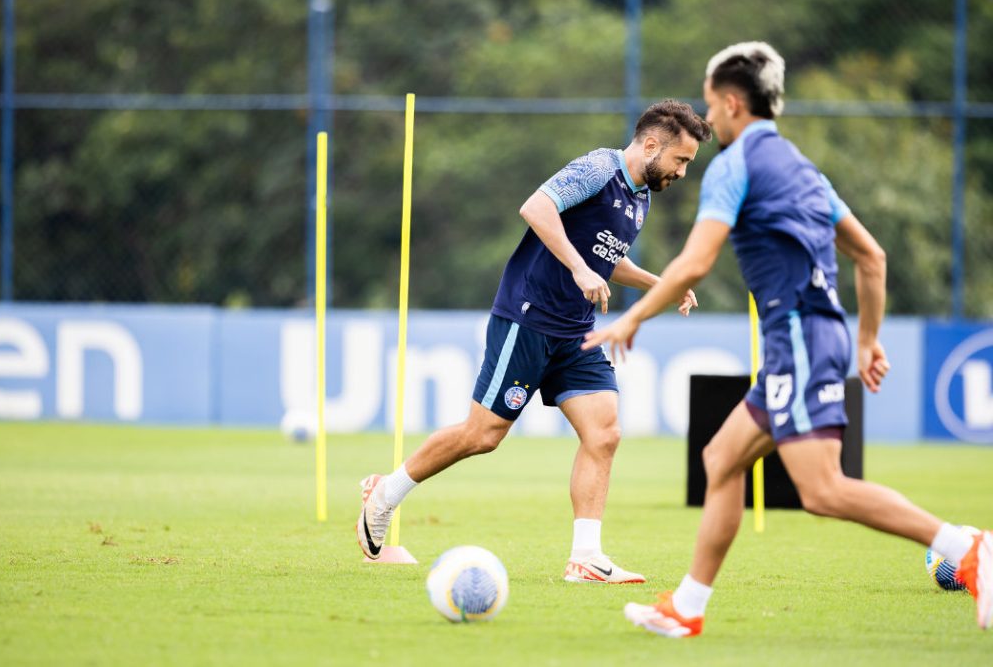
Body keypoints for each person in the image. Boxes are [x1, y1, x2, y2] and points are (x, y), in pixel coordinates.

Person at [583, 41, 992, 634]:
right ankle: (688, 609)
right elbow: (871, 258)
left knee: (823, 490)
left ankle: (968, 548)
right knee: (721, 460)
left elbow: (696, 262)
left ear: (730, 102)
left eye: (710, 105)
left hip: (798, 337)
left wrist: (633, 317)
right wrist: (867, 340)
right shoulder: (803, 168)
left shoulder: (733, 164)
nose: (710, 119)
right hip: (810, 337)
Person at [357, 99, 713, 583]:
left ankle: (585, 557)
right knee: (483, 435)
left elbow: (608, 259)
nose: (683, 171)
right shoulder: (597, 168)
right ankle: (385, 492)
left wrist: (662, 284)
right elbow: (536, 206)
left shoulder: (640, 196)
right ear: (651, 145)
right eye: (681, 160)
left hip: (576, 331)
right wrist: (579, 267)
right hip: (528, 317)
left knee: (604, 433)